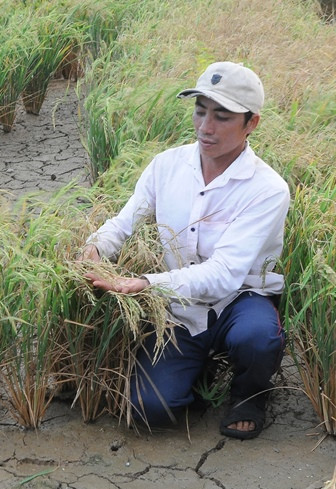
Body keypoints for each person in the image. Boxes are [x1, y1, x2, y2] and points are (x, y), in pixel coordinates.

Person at [79, 61, 289, 439]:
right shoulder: (167, 165)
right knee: (149, 411)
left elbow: (225, 273)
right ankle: (200, 375)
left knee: (257, 338)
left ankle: (250, 394)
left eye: (222, 117)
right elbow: (124, 223)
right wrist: (95, 249)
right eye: (200, 111)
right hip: (181, 306)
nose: (206, 127)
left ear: (251, 123)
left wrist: (145, 283)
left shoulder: (267, 189)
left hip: (240, 300)